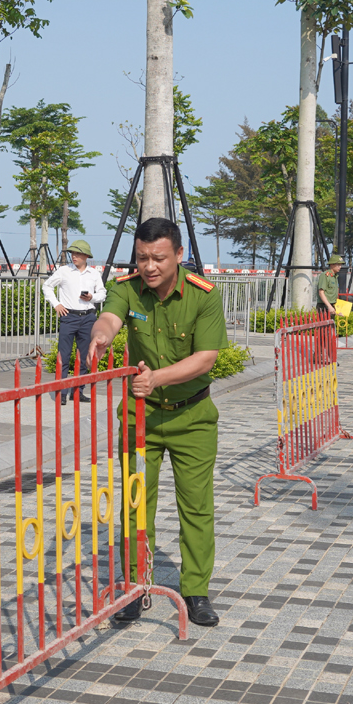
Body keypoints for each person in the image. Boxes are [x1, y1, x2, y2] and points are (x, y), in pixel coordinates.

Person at [86, 217, 227, 628]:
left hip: (192, 417)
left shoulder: (203, 296)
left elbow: (206, 358)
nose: (149, 267)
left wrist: (157, 378)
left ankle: (196, 590)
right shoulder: (126, 289)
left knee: (196, 507)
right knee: (136, 504)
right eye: (142, 258)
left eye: (158, 258)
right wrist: (101, 334)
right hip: (139, 418)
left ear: (178, 256)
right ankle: (134, 587)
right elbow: (110, 318)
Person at [43, 240, 106, 403]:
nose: (74, 256)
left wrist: (92, 297)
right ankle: (62, 393)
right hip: (69, 317)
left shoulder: (94, 274)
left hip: (88, 317)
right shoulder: (64, 271)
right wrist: (56, 304)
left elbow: (103, 293)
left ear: (86, 256)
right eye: (72, 253)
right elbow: (47, 286)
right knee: (63, 355)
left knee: (84, 356)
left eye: (78, 253)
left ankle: (78, 391)